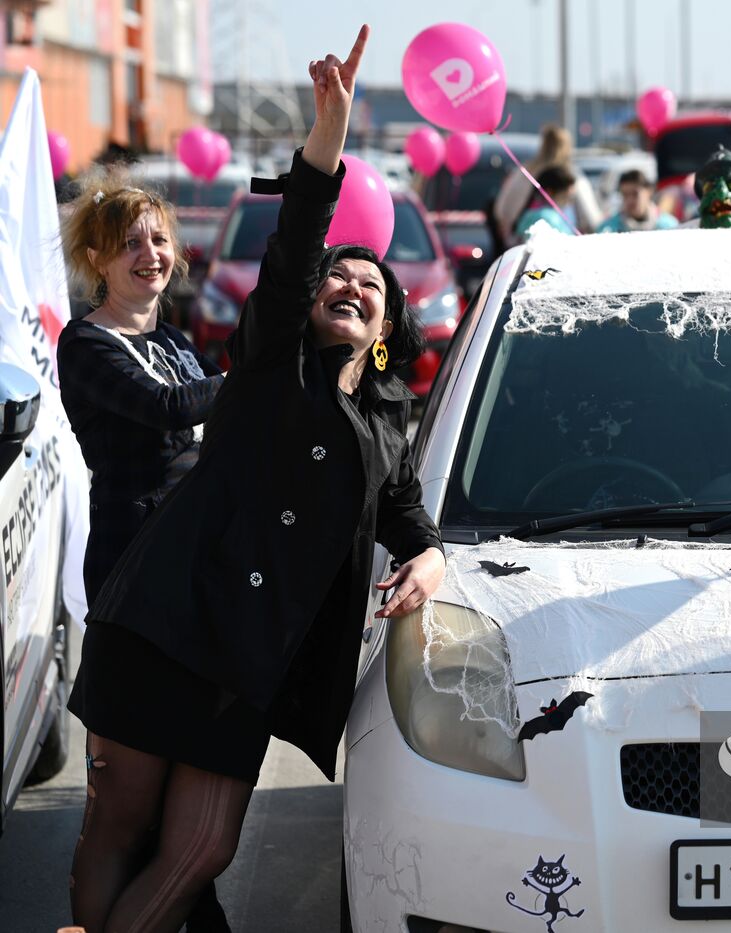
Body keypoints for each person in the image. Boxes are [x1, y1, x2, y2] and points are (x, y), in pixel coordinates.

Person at [65, 25, 446, 932]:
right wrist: (330, 134)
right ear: (307, 304)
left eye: (370, 286)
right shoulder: (274, 357)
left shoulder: (386, 419)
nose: (350, 285)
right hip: (163, 618)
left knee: (200, 849)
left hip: (247, 663)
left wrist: (430, 558)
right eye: (335, 279)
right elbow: (298, 237)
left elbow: (406, 514)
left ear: (385, 329)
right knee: (120, 827)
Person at [57, 170, 233, 933]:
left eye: (158, 238)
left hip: (189, 582)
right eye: (128, 242)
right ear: (97, 258)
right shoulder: (86, 343)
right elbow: (166, 408)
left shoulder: (172, 339)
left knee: (174, 808)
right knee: (121, 813)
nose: (149, 253)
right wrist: (250, 375)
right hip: (131, 580)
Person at [491, 124, 602, 246]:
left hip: (520, 246)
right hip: (567, 247)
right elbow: (591, 219)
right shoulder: (571, 176)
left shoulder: (524, 173)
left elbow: (501, 210)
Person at [597, 169, 679, 233]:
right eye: (625, 195)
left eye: (635, 194)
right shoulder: (609, 229)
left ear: (649, 191)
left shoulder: (669, 227)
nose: (630, 200)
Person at [513, 165, 579, 239]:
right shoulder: (546, 217)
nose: (569, 201)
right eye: (566, 196)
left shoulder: (531, 212)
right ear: (549, 192)